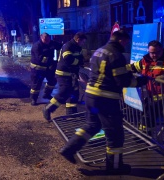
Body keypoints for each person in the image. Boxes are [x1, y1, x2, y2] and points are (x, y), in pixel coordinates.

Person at [59, 30, 148, 174]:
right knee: (115, 132)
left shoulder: (99, 51)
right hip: (106, 99)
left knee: (92, 125)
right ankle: (114, 166)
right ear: (120, 40)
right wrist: (140, 81)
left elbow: (107, 73)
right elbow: (122, 80)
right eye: (126, 41)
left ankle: (69, 149)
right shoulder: (116, 55)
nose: (126, 44)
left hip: (91, 95)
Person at [130, 40, 164, 150]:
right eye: (151, 53)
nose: (154, 55)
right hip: (154, 95)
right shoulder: (145, 60)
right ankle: (145, 136)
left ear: (162, 50)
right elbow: (132, 67)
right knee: (148, 115)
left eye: (156, 52)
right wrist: (117, 70)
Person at [42, 32, 87, 120]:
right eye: (83, 41)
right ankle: (48, 108)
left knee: (74, 92)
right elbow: (68, 59)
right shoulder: (68, 46)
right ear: (78, 39)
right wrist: (78, 62)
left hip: (72, 74)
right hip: (63, 74)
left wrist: (79, 61)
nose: (83, 43)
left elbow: (81, 58)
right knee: (64, 92)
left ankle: (71, 113)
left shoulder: (77, 47)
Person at [29, 33, 63, 106]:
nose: (47, 41)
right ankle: (33, 99)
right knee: (36, 85)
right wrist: (53, 62)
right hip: (37, 69)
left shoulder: (51, 43)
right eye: (45, 39)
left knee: (52, 81)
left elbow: (61, 47)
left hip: (48, 68)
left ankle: (47, 94)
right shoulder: (37, 46)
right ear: (41, 38)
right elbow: (40, 59)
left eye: (48, 39)